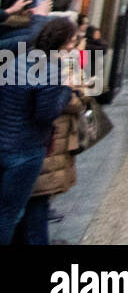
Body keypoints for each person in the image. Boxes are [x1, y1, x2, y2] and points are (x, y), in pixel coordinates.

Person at [0, 16, 75, 244]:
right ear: (63, 41)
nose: (73, 45)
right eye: (72, 40)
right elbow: (46, 114)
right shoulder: (52, 70)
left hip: (4, 140)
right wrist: (67, 90)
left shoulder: (17, 60)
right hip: (26, 148)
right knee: (10, 213)